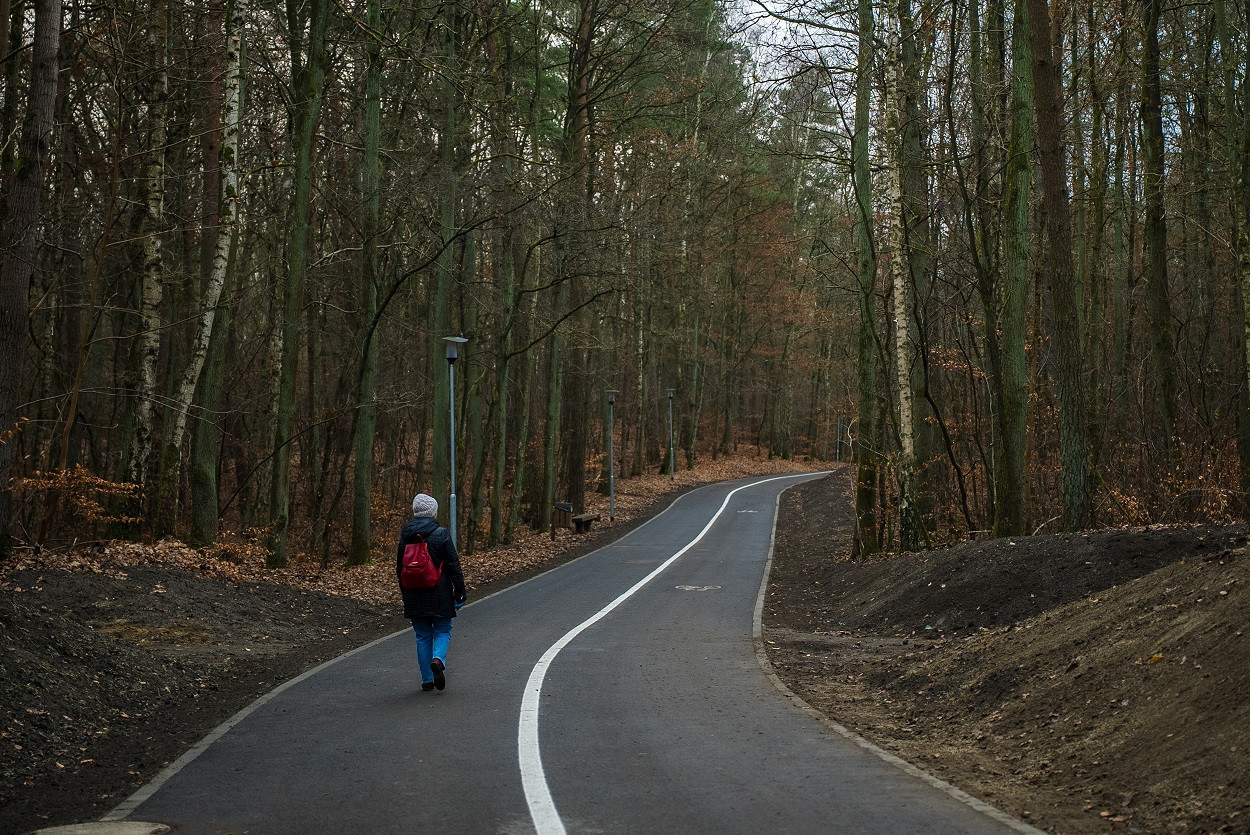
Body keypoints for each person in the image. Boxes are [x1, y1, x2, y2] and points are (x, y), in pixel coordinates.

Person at [396, 493, 466, 691]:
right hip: (440, 594)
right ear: (433, 512)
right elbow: (453, 565)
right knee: (443, 630)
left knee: (422, 635)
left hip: (413, 594)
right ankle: (438, 658)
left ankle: (427, 680)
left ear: (415, 511)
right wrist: (460, 592)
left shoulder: (405, 535)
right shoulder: (441, 534)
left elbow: (399, 569)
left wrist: (405, 594)